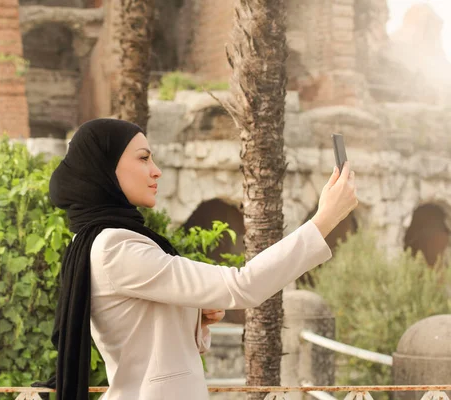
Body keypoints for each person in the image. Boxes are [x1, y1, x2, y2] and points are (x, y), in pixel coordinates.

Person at [33, 118, 358, 400]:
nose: (156, 171)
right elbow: (243, 286)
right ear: (104, 170)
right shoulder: (115, 247)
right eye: (144, 158)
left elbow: (141, 340)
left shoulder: (103, 240)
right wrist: (324, 221)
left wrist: (197, 316)